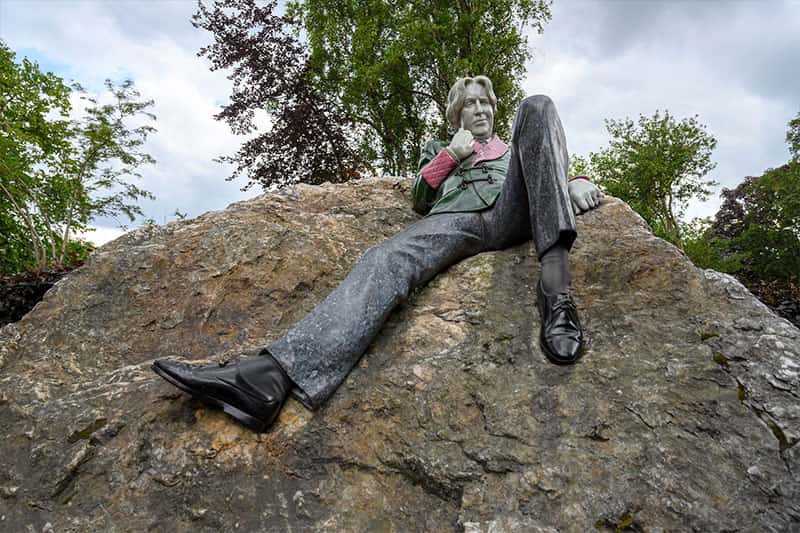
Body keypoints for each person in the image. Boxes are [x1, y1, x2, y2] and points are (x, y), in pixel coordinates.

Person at [152, 75, 603, 432]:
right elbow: (420, 200)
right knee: (383, 258)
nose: (480, 110)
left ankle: (556, 292)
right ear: (456, 115)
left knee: (539, 103)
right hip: (456, 222)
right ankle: (268, 380)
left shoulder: (512, 149)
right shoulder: (439, 149)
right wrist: (450, 153)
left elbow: (544, 163)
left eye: (486, 103)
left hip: (510, 212)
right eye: (470, 104)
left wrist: (571, 181)